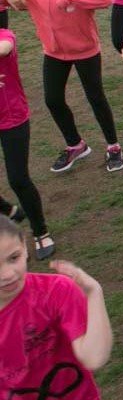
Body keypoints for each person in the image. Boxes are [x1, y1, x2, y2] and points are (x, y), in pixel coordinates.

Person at [2, 0, 123, 174]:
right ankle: (76, 144)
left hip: (85, 51)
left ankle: (113, 145)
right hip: (54, 52)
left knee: (95, 98)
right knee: (53, 100)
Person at [0, 221, 113, 400]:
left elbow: (93, 357)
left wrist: (94, 293)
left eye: (14, 257)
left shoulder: (55, 291)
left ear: (26, 248)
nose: (7, 274)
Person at [0, 27, 48, 257]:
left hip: (11, 118)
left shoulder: (4, 35)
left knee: (18, 179)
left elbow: (5, 48)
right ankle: (9, 210)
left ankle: (41, 231)